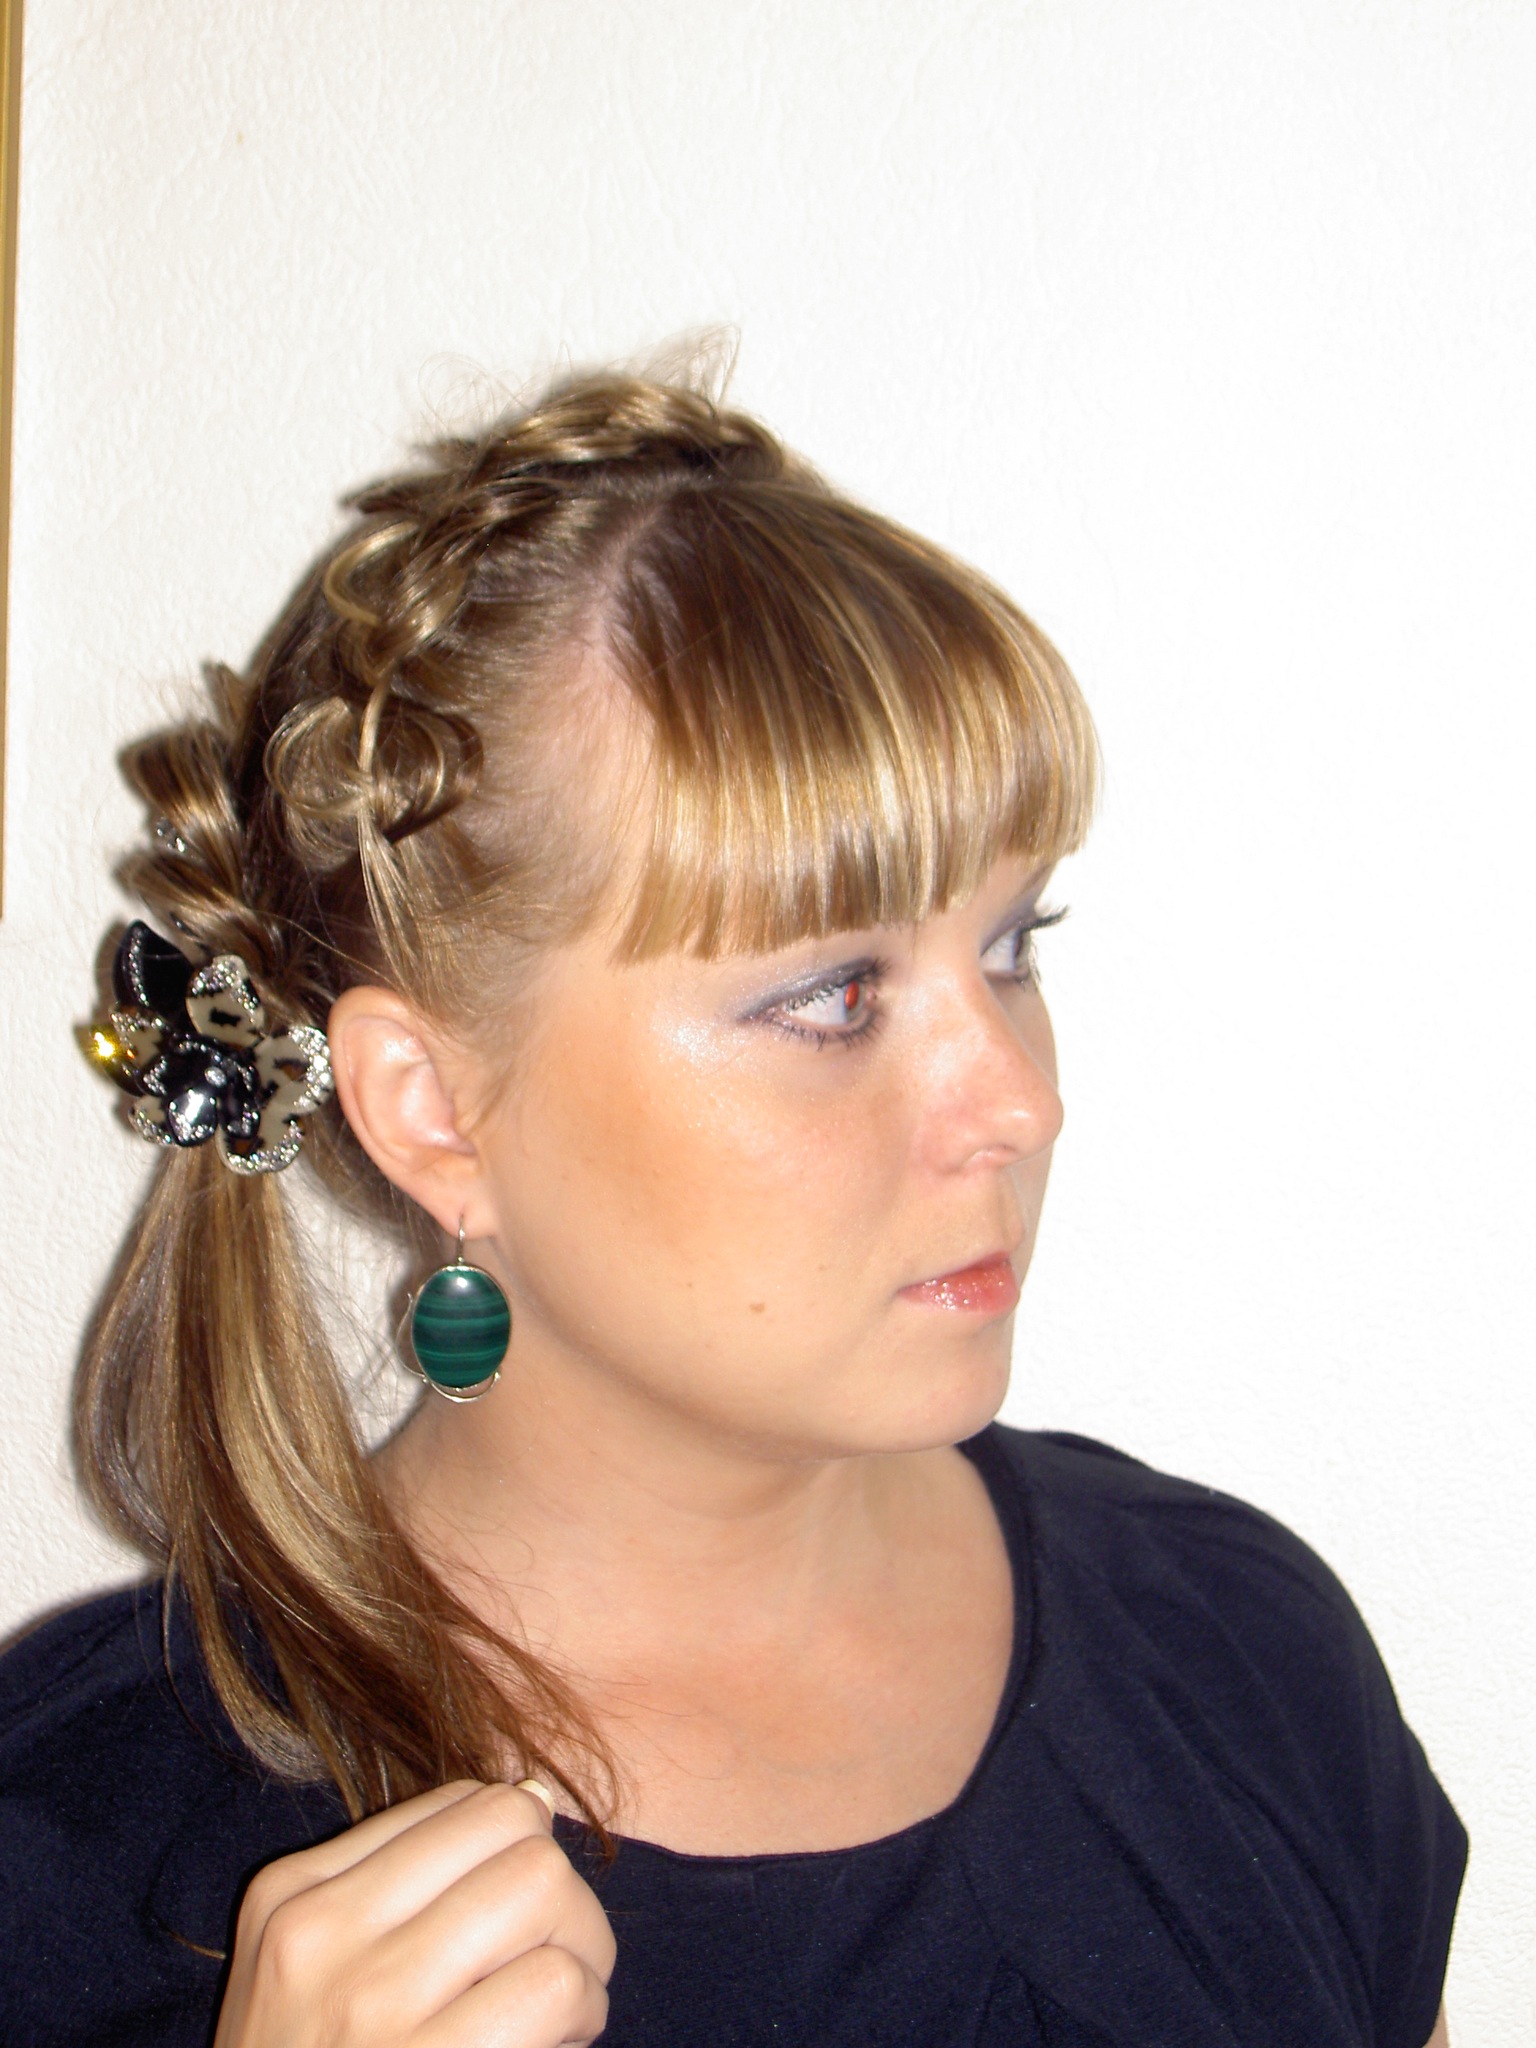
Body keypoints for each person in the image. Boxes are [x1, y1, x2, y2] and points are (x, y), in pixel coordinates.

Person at [0, 372, 1462, 2048]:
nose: (1019, 1101)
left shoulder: (1237, 1654)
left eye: (1012, 947)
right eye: (835, 997)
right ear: (435, 1109)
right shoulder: (86, 1860)